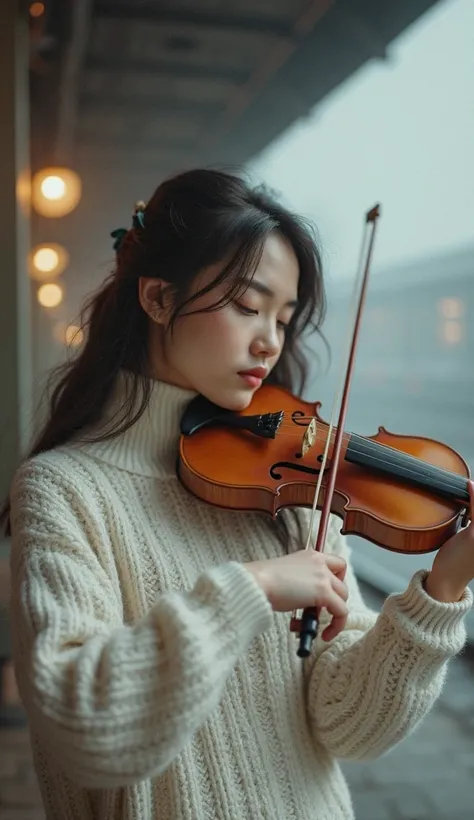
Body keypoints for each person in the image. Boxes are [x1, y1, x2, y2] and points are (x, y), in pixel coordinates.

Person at [3, 168, 473, 820]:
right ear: (159, 299)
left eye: (284, 317)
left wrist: (440, 591)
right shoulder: (64, 491)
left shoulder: (290, 491)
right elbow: (89, 731)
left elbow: (350, 730)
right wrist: (251, 590)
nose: (270, 341)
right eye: (248, 307)